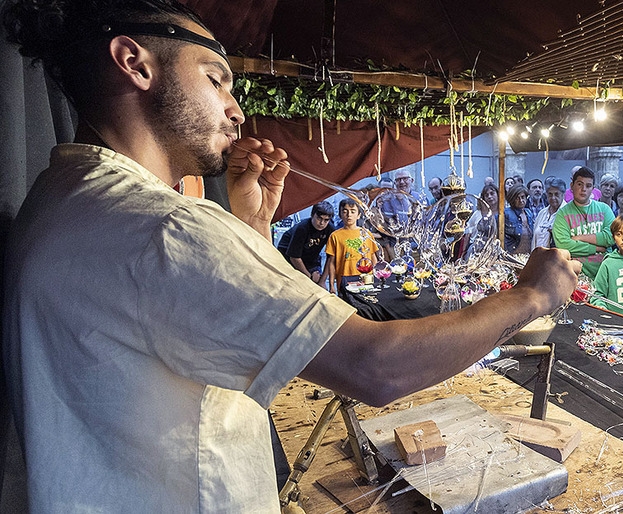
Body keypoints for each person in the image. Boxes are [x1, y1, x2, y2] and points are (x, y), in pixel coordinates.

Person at [0, 2, 581, 510]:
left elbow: (181, 319)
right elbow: (375, 367)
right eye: (216, 79)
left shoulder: (64, 196)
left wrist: (248, 230)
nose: (236, 110)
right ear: (135, 62)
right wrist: (530, 295)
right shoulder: (161, 227)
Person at [554, 166, 616, 279]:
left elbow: (611, 237)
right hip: (574, 276)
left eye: (588, 186)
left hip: (604, 275)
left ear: (593, 189)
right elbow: (564, 245)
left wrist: (579, 238)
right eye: (579, 184)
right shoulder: (562, 214)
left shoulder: (604, 209)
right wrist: (597, 248)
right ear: (571, 186)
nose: (583, 189)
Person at [320, 199, 381, 294]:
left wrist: (377, 278)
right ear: (340, 215)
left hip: (365, 280)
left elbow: (373, 257)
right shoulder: (335, 236)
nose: (349, 215)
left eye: (353, 211)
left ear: (359, 215)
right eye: (345, 211)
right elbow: (331, 262)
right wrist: (332, 285)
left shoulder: (366, 234)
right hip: (344, 280)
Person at [284, 201, 336, 283]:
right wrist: (309, 277)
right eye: (319, 218)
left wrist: (322, 281)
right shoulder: (302, 228)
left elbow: (331, 257)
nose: (322, 223)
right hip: (288, 259)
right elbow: (294, 257)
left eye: (326, 220)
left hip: (311, 259)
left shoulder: (330, 229)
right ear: (312, 215)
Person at [532, 177, 567, 249]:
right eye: (550, 194)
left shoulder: (568, 213)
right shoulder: (542, 213)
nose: (553, 198)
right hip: (538, 258)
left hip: (558, 258)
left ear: (563, 195)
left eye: (556, 194)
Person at [503, 183, 535, 254]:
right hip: (511, 256)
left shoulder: (528, 213)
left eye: (523, 197)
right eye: (517, 198)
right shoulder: (506, 213)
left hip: (527, 256)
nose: (521, 200)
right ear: (512, 199)